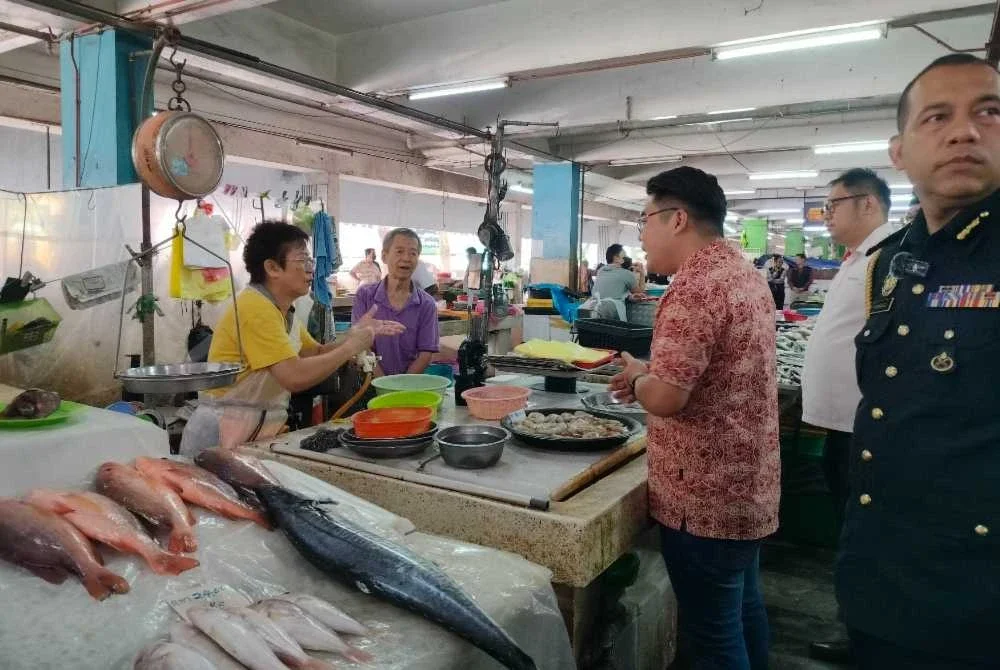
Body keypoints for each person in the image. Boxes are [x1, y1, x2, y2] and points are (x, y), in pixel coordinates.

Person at [838, 53, 1000, 669]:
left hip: (979, 604)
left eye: (989, 112)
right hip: (883, 581)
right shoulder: (893, 260)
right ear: (899, 152)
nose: (965, 131)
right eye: (937, 117)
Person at [610, 166, 779, 670]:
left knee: (712, 634)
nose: (641, 237)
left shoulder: (693, 288)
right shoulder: (743, 273)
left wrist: (640, 381)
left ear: (677, 219)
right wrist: (650, 373)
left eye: (644, 222)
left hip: (702, 496)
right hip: (748, 489)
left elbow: (666, 399)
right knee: (743, 610)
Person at [179, 221, 405, 455]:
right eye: (303, 261)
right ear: (273, 268)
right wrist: (350, 348)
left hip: (250, 430)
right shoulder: (255, 308)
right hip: (220, 431)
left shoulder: (281, 311)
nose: (311, 269)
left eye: (311, 261)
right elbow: (293, 376)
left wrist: (352, 335)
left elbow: (316, 352)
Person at [800, 168, 893, 664]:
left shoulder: (893, 258)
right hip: (843, 422)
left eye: (834, 205)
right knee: (850, 530)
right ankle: (860, 627)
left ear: (869, 205)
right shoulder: (863, 258)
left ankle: (867, 636)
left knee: (864, 535)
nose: (826, 215)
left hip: (867, 426)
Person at [353, 228, 440, 376]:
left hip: (408, 387)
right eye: (399, 251)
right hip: (369, 383)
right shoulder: (365, 295)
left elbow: (426, 353)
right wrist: (382, 384)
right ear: (384, 256)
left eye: (413, 253)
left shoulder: (427, 304)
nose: (406, 258)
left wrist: (399, 387)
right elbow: (360, 345)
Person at [593, 243, 646, 319]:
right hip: (611, 311)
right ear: (616, 258)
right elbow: (640, 292)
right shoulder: (626, 274)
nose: (626, 259)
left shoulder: (601, 270)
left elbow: (611, 290)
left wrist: (629, 296)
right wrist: (642, 273)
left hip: (592, 306)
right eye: (624, 257)